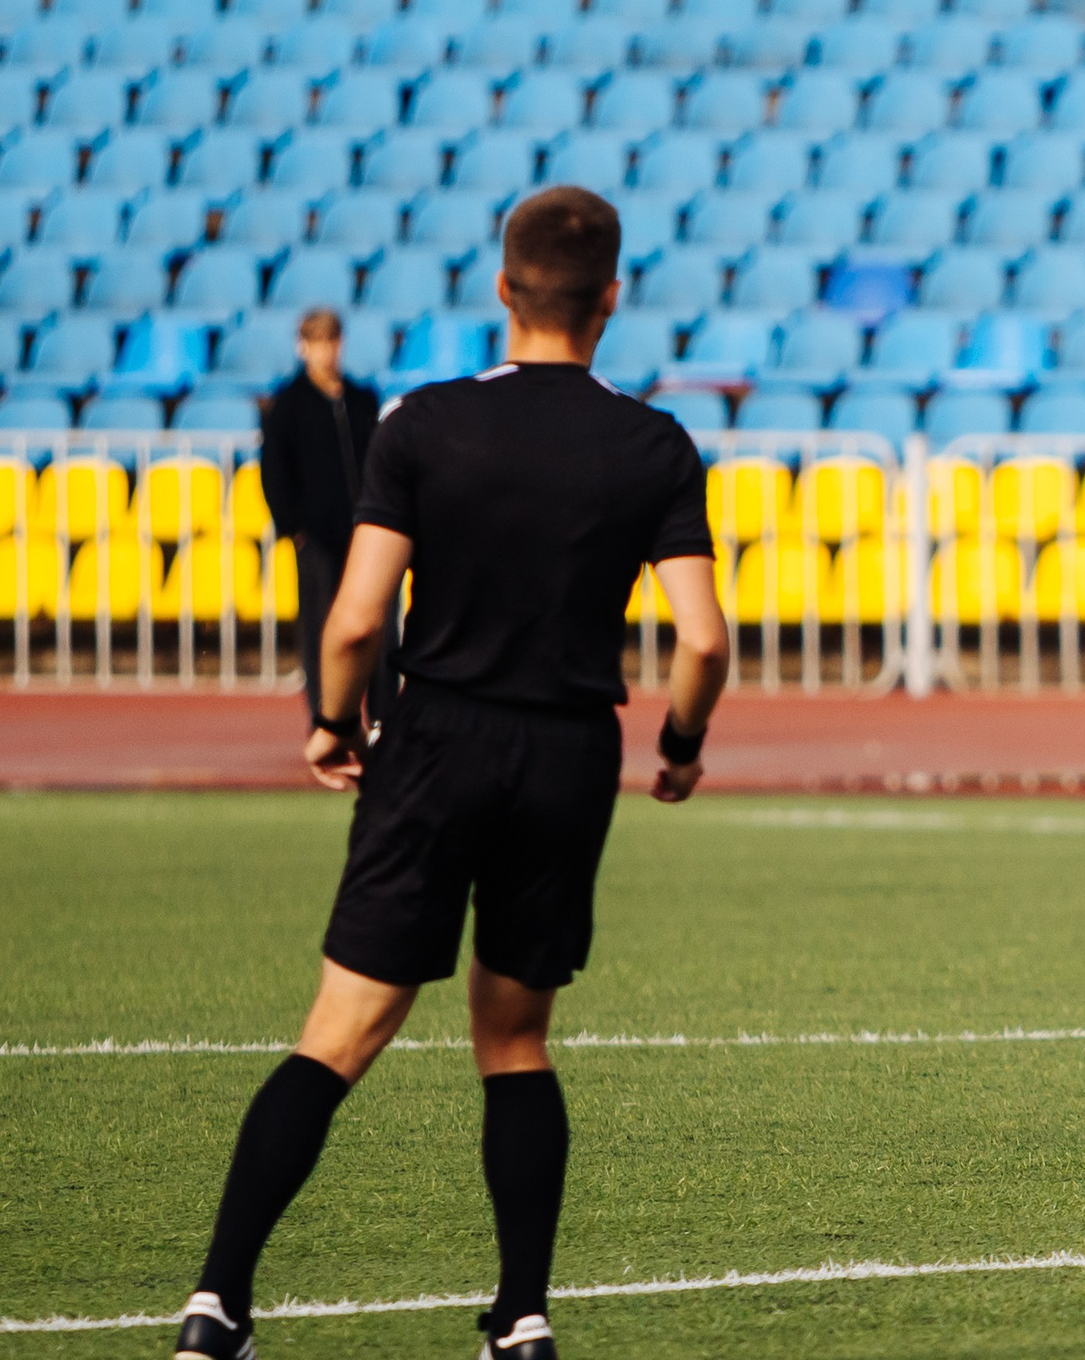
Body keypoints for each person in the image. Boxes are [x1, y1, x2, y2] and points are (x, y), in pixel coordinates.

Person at [172, 187, 732, 1360]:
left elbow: (356, 614)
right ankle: (521, 1319)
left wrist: (334, 723)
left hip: (434, 742)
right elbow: (704, 639)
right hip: (568, 754)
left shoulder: (423, 422)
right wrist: (678, 748)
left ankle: (218, 1304)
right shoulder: (653, 444)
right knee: (515, 1039)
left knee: (338, 1034)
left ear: (501, 291)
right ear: (611, 301)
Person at [258, 306, 395, 728]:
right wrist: (294, 528)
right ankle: (328, 717)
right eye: (315, 342)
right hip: (316, 537)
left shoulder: (361, 399)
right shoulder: (288, 405)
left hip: (365, 533)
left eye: (330, 341)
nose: (324, 351)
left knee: (379, 627)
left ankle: (383, 718)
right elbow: (274, 472)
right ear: (303, 347)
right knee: (321, 627)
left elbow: (379, 460)